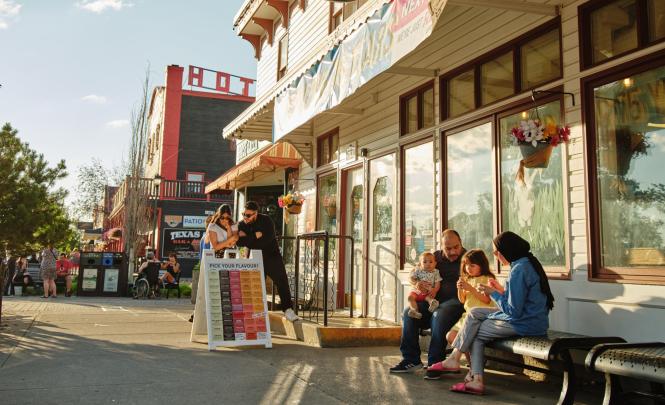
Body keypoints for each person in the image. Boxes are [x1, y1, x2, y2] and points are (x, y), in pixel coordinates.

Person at [432, 231, 555, 395]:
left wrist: (493, 293)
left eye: (497, 251)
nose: (495, 255)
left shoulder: (519, 270)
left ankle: (473, 377)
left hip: (525, 323)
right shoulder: (524, 264)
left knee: (475, 332)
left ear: (507, 250)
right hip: (531, 319)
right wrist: (500, 291)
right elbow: (519, 301)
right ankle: (458, 363)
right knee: (475, 312)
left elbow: (513, 311)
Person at [390, 229, 465, 379]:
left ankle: (435, 363)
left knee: (439, 314)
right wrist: (416, 283)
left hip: (456, 304)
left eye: (456, 247)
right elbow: (414, 273)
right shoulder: (434, 257)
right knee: (408, 313)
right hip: (431, 301)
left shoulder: (467, 258)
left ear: (461, 243)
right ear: (441, 246)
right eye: (448, 248)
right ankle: (411, 360)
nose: (452, 252)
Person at [428, 249, 497, 381]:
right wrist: (460, 289)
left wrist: (470, 288)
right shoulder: (468, 279)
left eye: (472, 265)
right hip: (467, 316)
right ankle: (472, 365)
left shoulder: (487, 279)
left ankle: (473, 368)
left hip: (481, 317)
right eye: (466, 265)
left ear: (481, 265)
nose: (468, 268)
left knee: (466, 339)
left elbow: (486, 300)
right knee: (450, 335)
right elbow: (462, 300)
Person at [236, 201, 300, 322]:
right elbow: (239, 242)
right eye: (243, 214)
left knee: (282, 282)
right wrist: (255, 236)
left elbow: (266, 240)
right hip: (254, 258)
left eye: (248, 215)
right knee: (256, 286)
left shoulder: (266, 220)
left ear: (256, 213)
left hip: (272, 256)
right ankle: (256, 314)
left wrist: (248, 239)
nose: (245, 217)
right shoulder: (242, 224)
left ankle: (288, 310)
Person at [407, 252, 442, 319]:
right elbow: (411, 278)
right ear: (420, 264)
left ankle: (433, 304)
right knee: (410, 298)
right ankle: (415, 311)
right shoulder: (418, 270)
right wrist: (416, 282)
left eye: (431, 262)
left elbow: (437, 283)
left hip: (427, 292)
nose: (428, 264)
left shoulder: (436, 272)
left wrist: (434, 290)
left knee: (429, 298)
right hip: (416, 292)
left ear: (435, 263)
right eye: (425, 262)